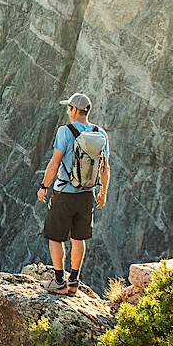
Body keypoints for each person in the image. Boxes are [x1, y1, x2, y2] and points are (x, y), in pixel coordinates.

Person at [36, 92, 110, 295]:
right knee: (79, 238)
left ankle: (59, 281)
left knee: (56, 237)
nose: (68, 111)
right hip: (87, 195)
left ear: (75, 110)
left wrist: (44, 187)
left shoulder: (65, 132)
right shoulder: (100, 133)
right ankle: (73, 282)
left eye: (69, 108)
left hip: (64, 193)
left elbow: (55, 163)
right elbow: (105, 168)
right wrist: (103, 192)